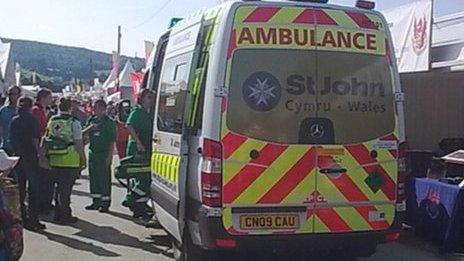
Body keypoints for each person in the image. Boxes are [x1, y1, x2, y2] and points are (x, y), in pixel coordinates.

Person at [45, 97, 86, 224]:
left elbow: (46, 137)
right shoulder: (73, 122)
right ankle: (65, 215)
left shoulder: (52, 120)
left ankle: (58, 214)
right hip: (69, 159)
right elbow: (78, 143)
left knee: (58, 189)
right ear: (70, 108)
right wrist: (83, 158)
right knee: (66, 190)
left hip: (54, 158)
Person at [10, 97, 46, 230]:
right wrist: (41, 155)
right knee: (33, 190)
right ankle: (34, 220)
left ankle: (22, 218)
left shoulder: (14, 121)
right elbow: (35, 140)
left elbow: (11, 139)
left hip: (18, 158)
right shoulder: (32, 120)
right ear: (30, 107)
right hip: (31, 157)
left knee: (20, 190)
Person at [123, 89, 155, 218]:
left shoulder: (147, 113)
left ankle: (139, 207)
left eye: (152, 98)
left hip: (144, 149)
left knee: (141, 179)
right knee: (143, 179)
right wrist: (138, 143)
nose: (151, 100)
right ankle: (131, 199)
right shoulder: (137, 112)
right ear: (141, 98)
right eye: (149, 97)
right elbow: (128, 126)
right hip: (138, 150)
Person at [83, 99, 116, 212]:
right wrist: (90, 128)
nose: (94, 110)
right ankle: (96, 201)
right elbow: (83, 134)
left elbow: (112, 141)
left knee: (104, 179)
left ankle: (105, 203)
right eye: (94, 107)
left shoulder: (108, 122)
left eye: (97, 107)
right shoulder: (92, 120)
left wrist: (109, 157)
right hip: (93, 153)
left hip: (103, 153)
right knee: (94, 178)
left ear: (103, 109)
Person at [31, 88, 54, 213]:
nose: (51, 101)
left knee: (47, 177)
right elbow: (38, 129)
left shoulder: (46, 111)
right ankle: (42, 204)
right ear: (43, 98)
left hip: (45, 146)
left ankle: (46, 202)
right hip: (39, 147)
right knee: (43, 177)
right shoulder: (36, 111)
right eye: (49, 98)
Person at [0, 86, 21, 153]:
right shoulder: (3, 110)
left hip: (20, 146)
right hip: (6, 146)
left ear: (19, 95)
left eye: (14, 94)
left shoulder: (23, 111)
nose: (11, 96)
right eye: (10, 94)